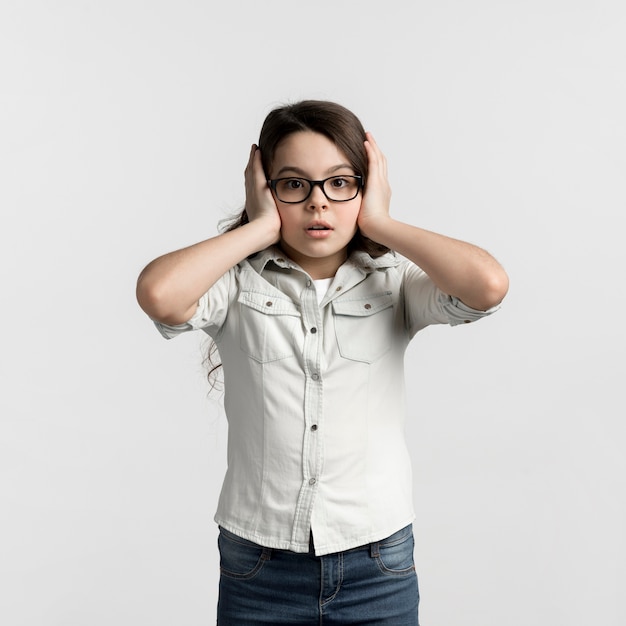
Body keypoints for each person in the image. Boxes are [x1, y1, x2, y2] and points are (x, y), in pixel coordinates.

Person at [136, 100, 509, 625]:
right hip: (259, 564)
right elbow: (158, 293)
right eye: (294, 184)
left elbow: (488, 286)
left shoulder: (394, 281)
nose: (318, 204)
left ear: (365, 184)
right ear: (265, 188)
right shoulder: (237, 282)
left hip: (376, 560)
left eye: (339, 183)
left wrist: (380, 220)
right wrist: (259, 229)